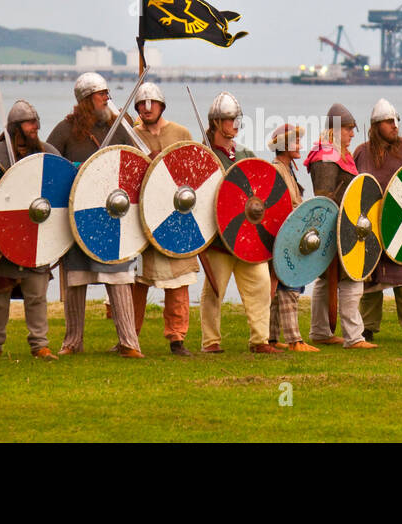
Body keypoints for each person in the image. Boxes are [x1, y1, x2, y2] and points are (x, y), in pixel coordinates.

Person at [47, 73, 143, 358]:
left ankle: (129, 342)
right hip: (80, 213)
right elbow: (49, 164)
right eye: (101, 94)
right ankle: (72, 342)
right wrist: (75, 168)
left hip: (113, 214)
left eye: (106, 94)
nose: (106, 98)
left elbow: (136, 160)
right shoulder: (66, 130)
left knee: (119, 276)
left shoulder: (119, 127)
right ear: (87, 100)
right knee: (76, 278)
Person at [197, 91, 279, 354]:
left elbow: (259, 187)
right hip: (218, 237)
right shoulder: (204, 154)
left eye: (236, 119)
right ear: (217, 122)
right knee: (214, 290)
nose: (235, 124)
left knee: (260, 284)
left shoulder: (244, 153)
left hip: (248, 237)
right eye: (230, 119)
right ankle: (211, 342)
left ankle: (260, 340)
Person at [0, 99, 59, 361]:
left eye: (35, 122)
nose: (34, 127)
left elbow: (60, 192)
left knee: (36, 294)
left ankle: (40, 344)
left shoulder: (48, 153)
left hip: (36, 234)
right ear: (15, 127)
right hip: (3, 238)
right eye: (29, 123)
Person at [350, 98, 402, 343]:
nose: (394, 126)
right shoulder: (362, 152)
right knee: (372, 281)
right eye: (388, 122)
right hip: (371, 225)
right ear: (375, 126)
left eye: (396, 121)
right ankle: (367, 328)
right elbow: (354, 189)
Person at [130, 82, 198, 356]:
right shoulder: (131, 135)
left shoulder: (181, 133)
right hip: (142, 216)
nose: (146, 108)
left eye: (151, 103)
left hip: (175, 217)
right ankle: (129, 336)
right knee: (136, 281)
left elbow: (194, 173)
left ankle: (177, 338)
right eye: (141, 105)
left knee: (178, 280)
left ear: (161, 105)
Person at [305, 103, 375, 349]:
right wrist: (339, 226)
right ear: (335, 130)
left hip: (344, 225)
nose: (352, 134)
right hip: (335, 227)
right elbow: (324, 197)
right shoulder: (326, 156)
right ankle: (354, 337)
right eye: (348, 129)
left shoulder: (340, 154)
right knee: (351, 280)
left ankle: (320, 331)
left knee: (327, 281)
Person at [266, 122, 319, 352]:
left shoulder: (287, 168)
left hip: (287, 234)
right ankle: (294, 340)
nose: (300, 144)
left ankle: (271, 337)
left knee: (279, 291)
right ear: (284, 146)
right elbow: (279, 207)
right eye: (295, 141)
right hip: (282, 236)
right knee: (289, 285)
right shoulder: (277, 169)